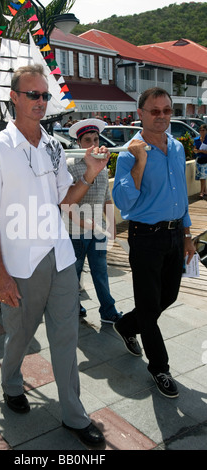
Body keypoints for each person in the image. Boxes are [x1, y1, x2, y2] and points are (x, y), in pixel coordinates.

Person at [0, 64, 108, 446]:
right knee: (20, 335)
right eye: (33, 95)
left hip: (60, 256)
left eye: (45, 95)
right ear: (14, 98)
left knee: (66, 336)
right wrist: (0, 274)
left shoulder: (53, 145)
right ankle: (11, 382)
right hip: (19, 262)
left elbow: (66, 199)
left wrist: (90, 173)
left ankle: (74, 416)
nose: (41, 102)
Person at [112, 87, 195, 398]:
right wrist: (140, 163)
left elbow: (181, 197)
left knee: (168, 296)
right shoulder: (129, 153)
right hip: (145, 236)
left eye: (167, 110)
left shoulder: (176, 148)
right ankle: (159, 367)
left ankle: (125, 325)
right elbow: (123, 200)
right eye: (155, 111)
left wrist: (186, 236)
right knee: (149, 306)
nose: (162, 116)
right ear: (141, 115)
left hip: (175, 234)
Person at [67, 119, 122, 323]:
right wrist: (85, 224)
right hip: (75, 233)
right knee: (73, 274)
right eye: (87, 140)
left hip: (98, 232)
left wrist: (112, 224)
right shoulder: (70, 167)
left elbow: (107, 198)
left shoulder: (103, 166)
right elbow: (66, 204)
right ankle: (73, 308)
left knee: (101, 272)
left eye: (96, 139)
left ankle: (108, 311)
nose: (93, 144)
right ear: (79, 143)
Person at [193, 123, 207, 198]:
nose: (201, 132)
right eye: (200, 130)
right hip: (199, 159)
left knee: (203, 176)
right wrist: (198, 151)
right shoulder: (197, 139)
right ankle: (205, 191)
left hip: (206, 160)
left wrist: (200, 151)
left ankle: (201, 192)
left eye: (203, 130)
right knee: (201, 176)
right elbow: (195, 149)